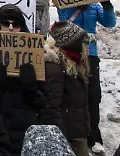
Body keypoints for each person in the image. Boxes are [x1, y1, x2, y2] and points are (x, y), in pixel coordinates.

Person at [0, 4, 48, 155]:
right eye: (6, 23)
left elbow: (43, 101)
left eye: (16, 24)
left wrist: (31, 88)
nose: (11, 28)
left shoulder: (34, 52)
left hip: (23, 126)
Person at [57, 0, 115, 155]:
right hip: (70, 55)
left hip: (90, 55)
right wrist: (73, 5)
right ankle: (72, 135)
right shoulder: (65, 4)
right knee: (73, 95)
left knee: (93, 96)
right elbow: (63, 22)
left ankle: (94, 137)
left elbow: (109, 23)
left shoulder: (94, 6)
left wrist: (107, 6)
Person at [43, 21, 93, 156]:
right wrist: (62, 138)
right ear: (73, 45)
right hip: (68, 137)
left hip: (77, 133)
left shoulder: (76, 63)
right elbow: (52, 107)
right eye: (83, 43)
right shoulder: (55, 68)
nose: (87, 47)